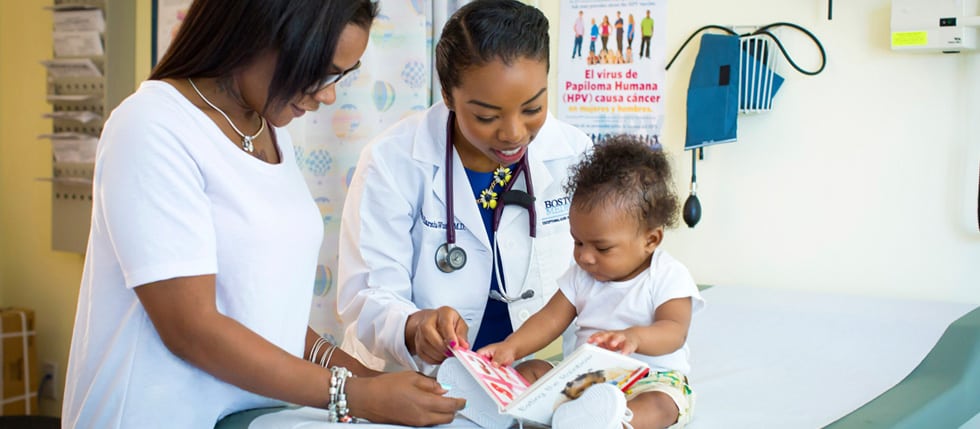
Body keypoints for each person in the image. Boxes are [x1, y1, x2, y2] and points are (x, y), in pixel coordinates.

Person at [61, 0, 464, 427]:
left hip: (245, 416)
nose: (328, 95)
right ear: (259, 32)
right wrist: (355, 395)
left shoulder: (265, 129)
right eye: (321, 71)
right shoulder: (150, 127)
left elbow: (263, 317)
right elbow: (190, 329)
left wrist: (374, 384)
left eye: (341, 76)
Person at [337, 0, 592, 380]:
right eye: (486, 116)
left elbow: (606, 274)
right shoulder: (392, 161)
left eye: (532, 108)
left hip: (534, 376)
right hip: (420, 380)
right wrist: (413, 326)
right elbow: (367, 296)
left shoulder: (575, 155)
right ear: (448, 95)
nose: (513, 133)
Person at [478, 136, 704, 429]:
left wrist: (634, 338)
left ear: (651, 240)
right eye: (578, 241)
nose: (585, 257)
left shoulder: (667, 275)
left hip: (649, 378)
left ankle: (615, 422)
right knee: (530, 370)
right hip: (585, 380)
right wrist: (512, 347)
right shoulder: (581, 275)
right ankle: (498, 408)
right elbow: (549, 319)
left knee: (662, 405)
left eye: (602, 247)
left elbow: (674, 332)